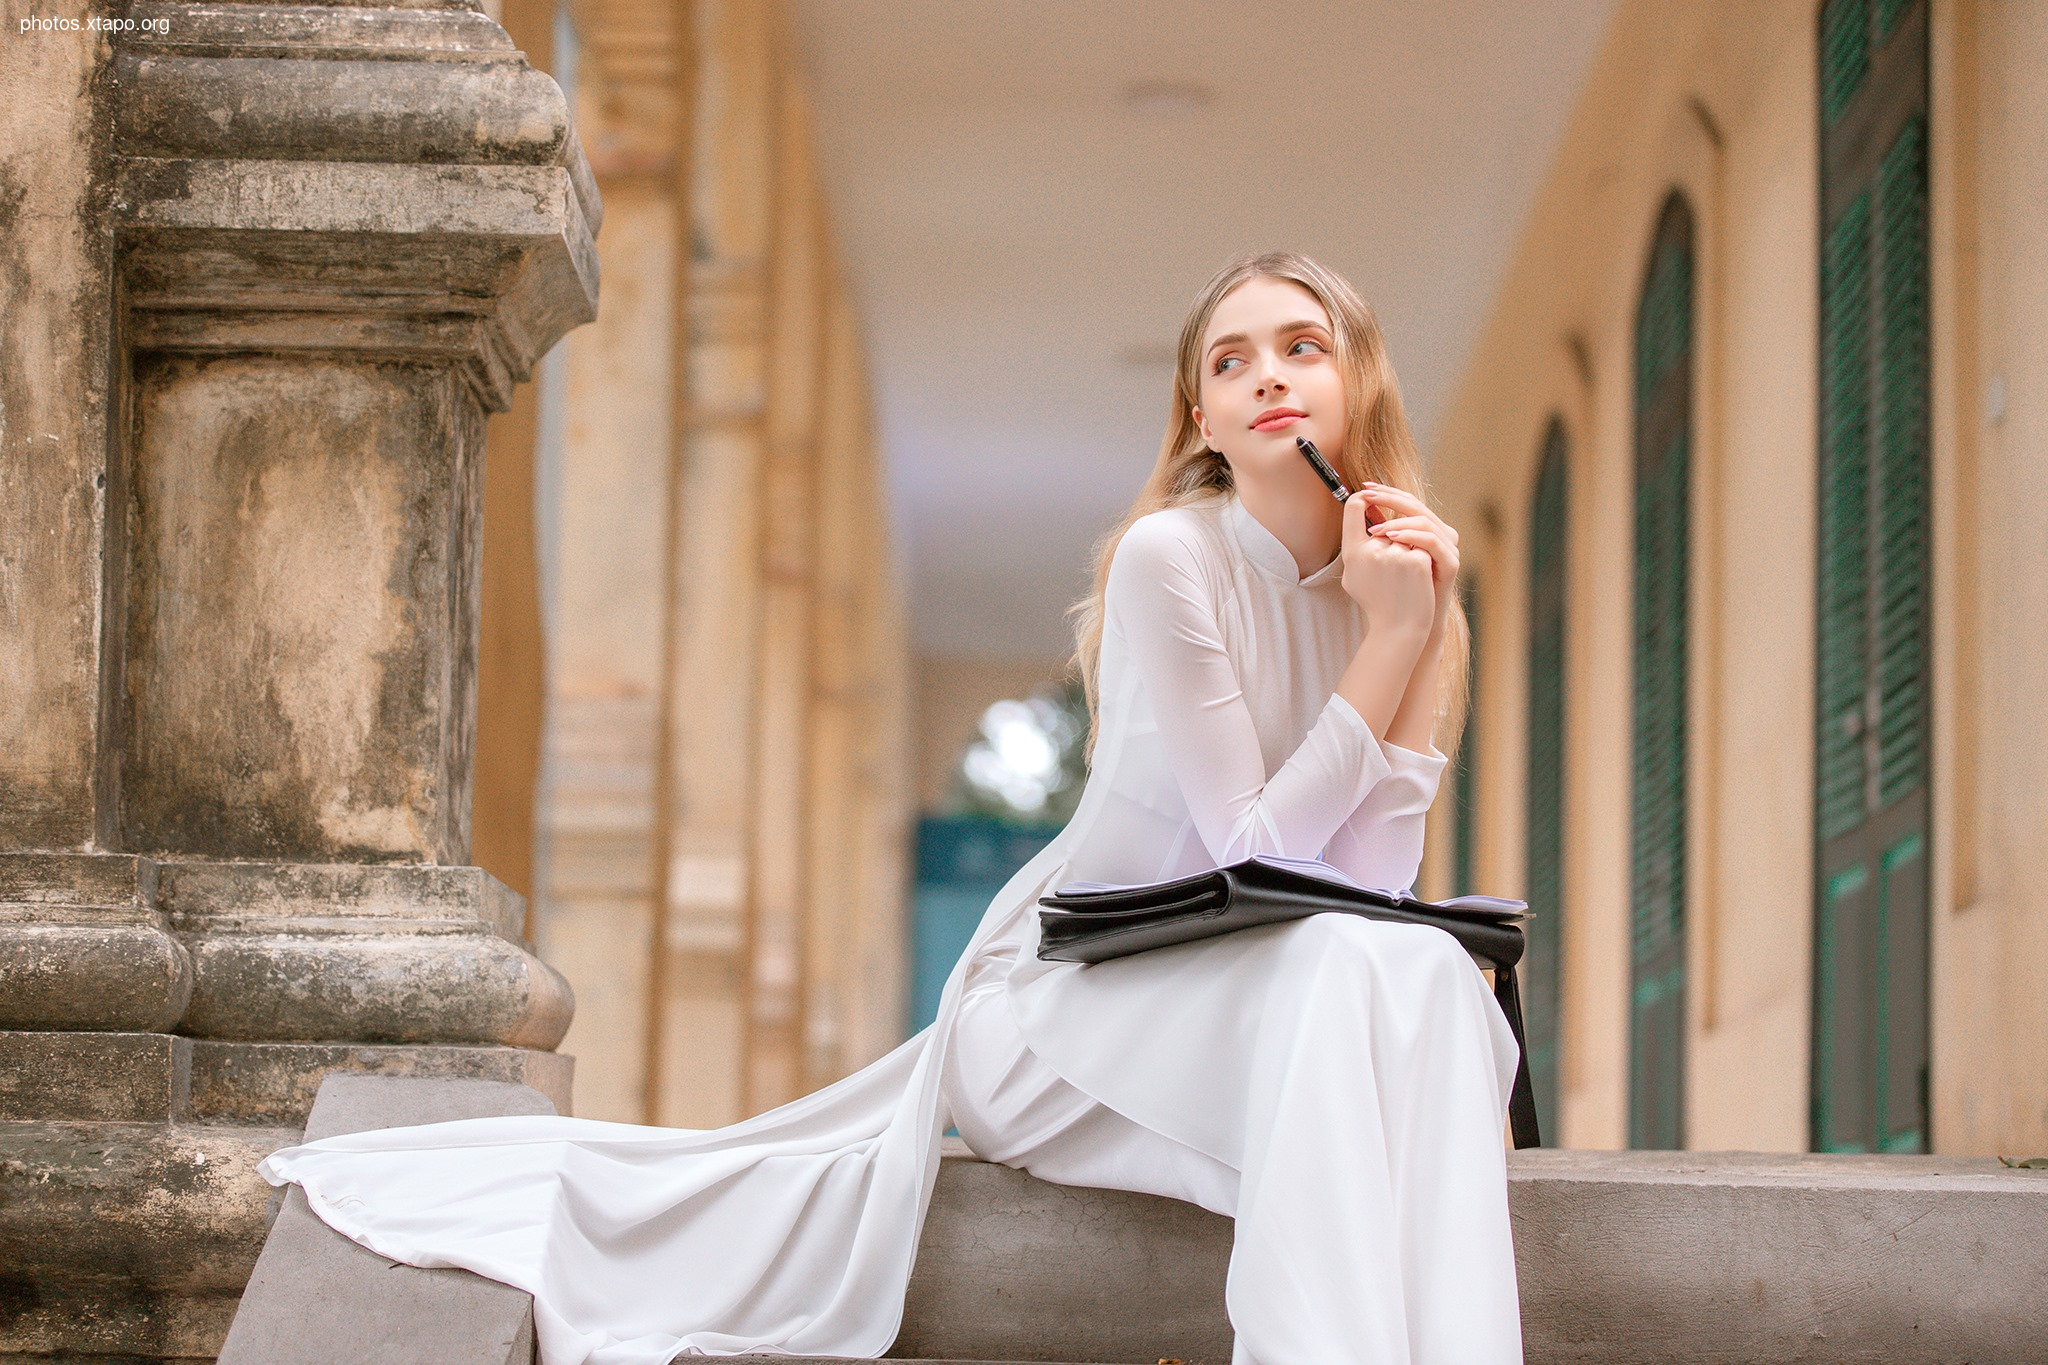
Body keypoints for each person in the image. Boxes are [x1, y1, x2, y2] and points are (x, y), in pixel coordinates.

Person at [262, 251, 1525, 1365]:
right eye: (1231, 359)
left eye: (1301, 346)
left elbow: (1368, 881)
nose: (1268, 375)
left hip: (1263, 1006)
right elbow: (1260, 849)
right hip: (1066, 1016)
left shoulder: (1392, 582)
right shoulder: (1169, 558)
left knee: (1409, 979)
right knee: (1352, 983)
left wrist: (1413, 623)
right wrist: (1390, 645)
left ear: (1357, 378)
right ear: (1198, 413)